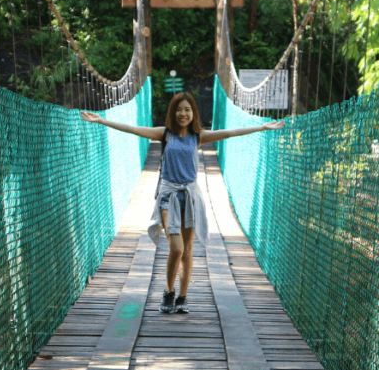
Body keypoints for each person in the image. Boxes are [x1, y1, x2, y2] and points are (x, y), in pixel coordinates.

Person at [80, 91, 284, 314]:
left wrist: (261, 128)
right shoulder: (165, 134)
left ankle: (182, 297)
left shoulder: (198, 137)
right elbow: (133, 129)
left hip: (191, 196)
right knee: (176, 248)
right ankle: (168, 291)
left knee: (187, 251)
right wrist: (102, 120)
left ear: (193, 113)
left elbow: (230, 132)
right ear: (173, 112)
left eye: (187, 109)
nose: (183, 113)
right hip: (169, 195)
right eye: (179, 109)